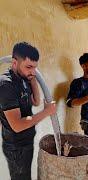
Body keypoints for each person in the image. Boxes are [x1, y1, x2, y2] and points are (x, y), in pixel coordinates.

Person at [0, 42, 56, 180]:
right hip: (15, 146)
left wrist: (32, 79)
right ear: (14, 63)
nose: (33, 71)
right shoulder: (6, 84)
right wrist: (46, 112)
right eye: (29, 67)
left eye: (35, 68)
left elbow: (35, 101)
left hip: (26, 141)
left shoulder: (23, 77)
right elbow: (17, 125)